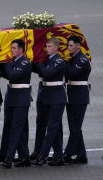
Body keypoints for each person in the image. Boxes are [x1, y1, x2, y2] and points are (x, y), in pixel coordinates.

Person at [32, 37, 67, 166]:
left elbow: (47, 73)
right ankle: (59, 156)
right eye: (46, 46)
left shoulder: (58, 61)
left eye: (50, 46)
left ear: (57, 47)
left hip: (57, 97)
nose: (47, 49)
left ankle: (43, 155)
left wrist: (38, 61)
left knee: (52, 127)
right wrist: (34, 60)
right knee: (54, 128)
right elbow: (37, 69)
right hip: (47, 96)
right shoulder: (48, 60)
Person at [1, 39, 32, 168]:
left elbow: (12, 75)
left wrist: (5, 64)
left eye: (14, 48)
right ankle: (25, 157)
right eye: (11, 48)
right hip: (11, 98)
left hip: (21, 99)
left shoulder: (25, 62)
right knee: (11, 127)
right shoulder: (13, 62)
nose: (11, 50)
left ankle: (9, 157)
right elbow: (5, 74)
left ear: (20, 49)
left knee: (16, 128)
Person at [63, 36, 91, 164]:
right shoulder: (73, 58)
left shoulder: (82, 60)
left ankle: (68, 153)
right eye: (68, 45)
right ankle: (81, 154)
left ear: (78, 46)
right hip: (72, 96)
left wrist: (62, 62)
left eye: (71, 46)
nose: (69, 48)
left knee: (75, 127)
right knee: (75, 127)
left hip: (79, 97)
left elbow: (71, 73)